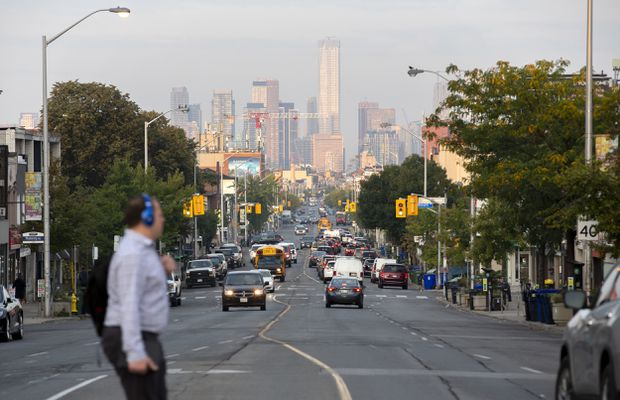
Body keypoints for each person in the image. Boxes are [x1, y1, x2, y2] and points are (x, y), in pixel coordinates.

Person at [102, 194, 175, 400]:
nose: (163, 219)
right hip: (133, 336)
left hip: (144, 336)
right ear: (147, 218)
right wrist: (134, 353)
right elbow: (129, 303)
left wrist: (160, 269)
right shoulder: (133, 254)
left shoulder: (142, 250)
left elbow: (143, 287)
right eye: (160, 215)